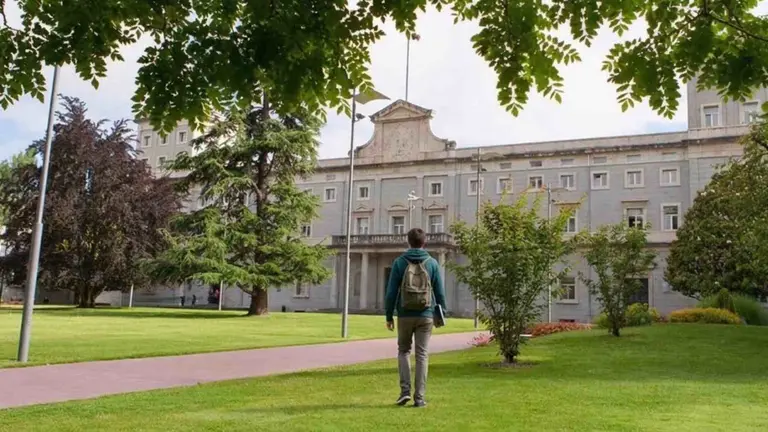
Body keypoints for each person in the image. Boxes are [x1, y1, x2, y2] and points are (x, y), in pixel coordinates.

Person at [385, 228, 446, 408]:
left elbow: (391, 292)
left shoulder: (399, 263)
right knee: (422, 354)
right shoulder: (432, 263)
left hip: (404, 314)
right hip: (426, 314)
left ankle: (404, 392)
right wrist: (442, 313)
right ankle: (419, 398)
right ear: (424, 242)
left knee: (403, 351)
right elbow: (440, 292)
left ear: (408, 242)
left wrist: (389, 315)